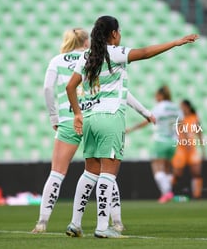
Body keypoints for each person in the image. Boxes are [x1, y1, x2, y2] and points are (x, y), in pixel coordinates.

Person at [66, 15, 198, 238]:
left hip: (90, 119)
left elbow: (71, 87)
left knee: (89, 172)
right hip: (111, 119)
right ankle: (101, 228)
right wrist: (175, 42)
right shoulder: (115, 53)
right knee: (108, 174)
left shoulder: (87, 57)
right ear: (114, 34)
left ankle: (75, 224)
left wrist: (77, 114)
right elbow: (145, 53)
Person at [32, 28, 155, 234]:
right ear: (87, 41)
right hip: (94, 114)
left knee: (57, 173)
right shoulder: (93, 56)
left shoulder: (57, 60)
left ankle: (42, 222)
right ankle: (116, 222)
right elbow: (123, 92)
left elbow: (47, 89)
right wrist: (145, 112)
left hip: (69, 119)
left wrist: (54, 117)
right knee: (106, 170)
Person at [126, 85, 182, 203]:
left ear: (161, 96)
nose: (155, 98)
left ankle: (167, 194)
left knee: (157, 168)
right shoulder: (175, 108)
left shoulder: (160, 107)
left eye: (156, 95)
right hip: (173, 141)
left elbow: (148, 120)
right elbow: (181, 124)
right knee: (167, 169)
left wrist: (131, 129)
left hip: (161, 140)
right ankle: (168, 194)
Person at [172, 99, 205, 199]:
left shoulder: (195, 118)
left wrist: (203, 149)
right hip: (181, 149)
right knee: (177, 173)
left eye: (182, 106)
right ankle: (168, 192)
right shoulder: (179, 118)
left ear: (187, 107)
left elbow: (199, 134)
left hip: (192, 149)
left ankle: (197, 195)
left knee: (197, 172)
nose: (181, 109)